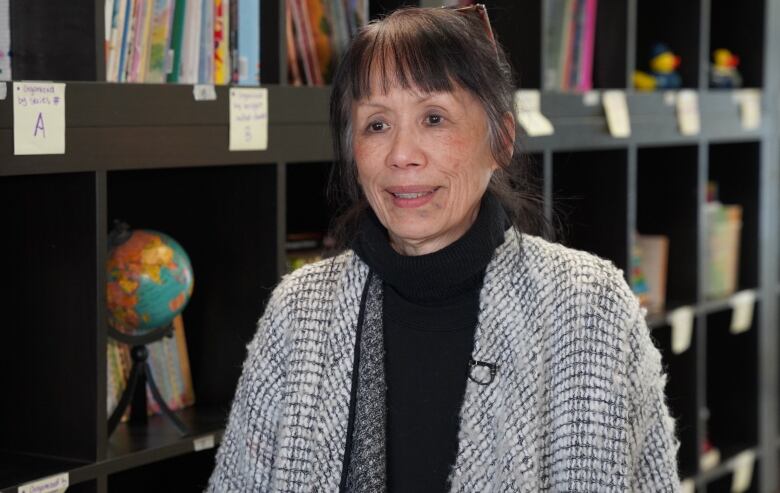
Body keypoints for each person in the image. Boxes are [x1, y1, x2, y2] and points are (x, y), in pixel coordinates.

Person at [208, 5, 679, 492]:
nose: (401, 155)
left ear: (501, 141)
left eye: (434, 118)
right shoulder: (300, 309)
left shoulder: (587, 304)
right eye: (376, 125)